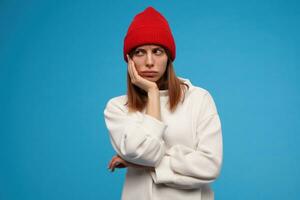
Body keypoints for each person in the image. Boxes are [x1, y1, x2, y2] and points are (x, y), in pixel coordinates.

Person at [103, 6, 223, 200]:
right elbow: (146, 154)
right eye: (140, 52)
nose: (149, 61)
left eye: (157, 51)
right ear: (129, 59)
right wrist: (152, 93)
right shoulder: (117, 108)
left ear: (168, 57)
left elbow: (209, 166)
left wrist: (142, 164)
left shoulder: (199, 99)